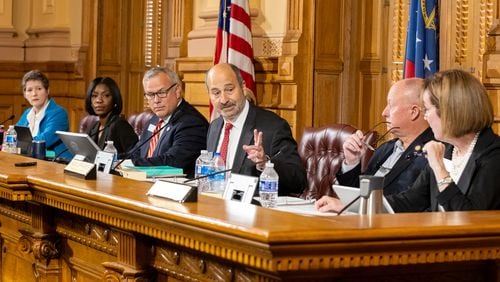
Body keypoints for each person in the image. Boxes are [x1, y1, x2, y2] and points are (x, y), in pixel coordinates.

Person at [317, 69, 500, 213]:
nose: (426, 118)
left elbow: (470, 216)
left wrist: (440, 170)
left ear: (450, 112)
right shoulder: (448, 150)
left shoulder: (493, 155)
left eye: (427, 110)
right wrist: (349, 206)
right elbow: (409, 200)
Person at [205, 63, 306, 196]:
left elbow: (298, 180)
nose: (223, 100)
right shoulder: (214, 127)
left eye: (229, 89)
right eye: (216, 93)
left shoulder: (273, 127)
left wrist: (265, 164)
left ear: (243, 86)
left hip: (253, 212)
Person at [336, 78, 434, 196]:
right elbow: (357, 196)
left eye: (391, 105)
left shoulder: (432, 153)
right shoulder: (385, 149)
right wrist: (352, 161)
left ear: (413, 112)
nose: (384, 113)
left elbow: (411, 202)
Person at [128, 67, 208, 178]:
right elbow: (138, 152)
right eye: (150, 95)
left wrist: (130, 165)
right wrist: (114, 160)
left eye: (161, 92)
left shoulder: (192, 123)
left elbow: (173, 162)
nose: (156, 100)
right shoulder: (155, 120)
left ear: (177, 91)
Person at [16, 70, 72, 160]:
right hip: (31, 159)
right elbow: (16, 135)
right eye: (29, 90)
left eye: (39, 89)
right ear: (25, 94)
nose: (34, 94)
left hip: (55, 163)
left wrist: (21, 143)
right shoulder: (27, 113)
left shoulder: (59, 113)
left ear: (47, 91)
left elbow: (44, 140)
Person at [84, 77, 137, 154]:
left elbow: (134, 155)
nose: (99, 100)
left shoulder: (120, 125)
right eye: (94, 96)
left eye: (106, 95)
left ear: (115, 99)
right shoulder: (94, 127)